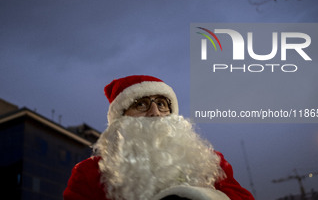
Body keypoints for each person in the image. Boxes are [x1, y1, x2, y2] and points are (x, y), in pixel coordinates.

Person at [63, 75, 255, 200]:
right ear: (121, 119)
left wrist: (197, 196)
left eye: (162, 104)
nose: (155, 112)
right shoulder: (89, 173)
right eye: (141, 104)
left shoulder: (208, 161)